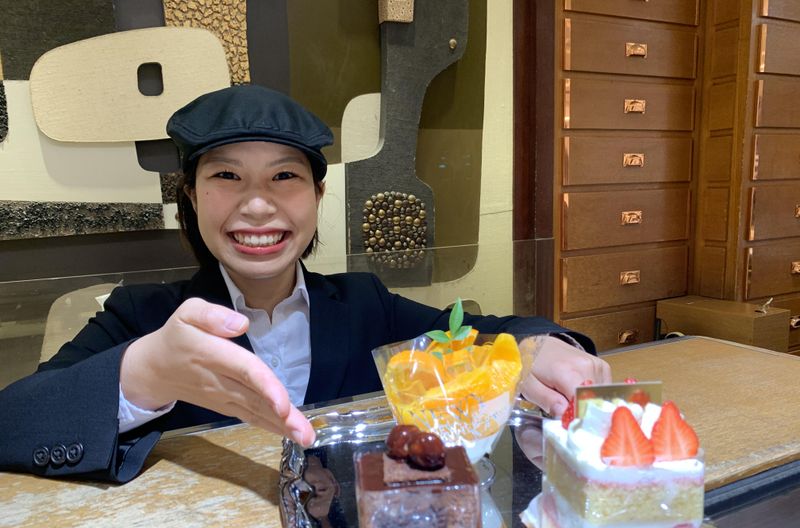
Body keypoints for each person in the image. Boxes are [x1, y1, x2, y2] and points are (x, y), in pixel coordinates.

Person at [0, 85, 610, 483]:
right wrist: (147, 372)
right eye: (227, 176)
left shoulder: (365, 304)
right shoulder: (143, 314)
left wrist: (536, 346)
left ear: (317, 195)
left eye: (284, 177)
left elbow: (480, 334)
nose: (257, 204)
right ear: (192, 195)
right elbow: (13, 422)